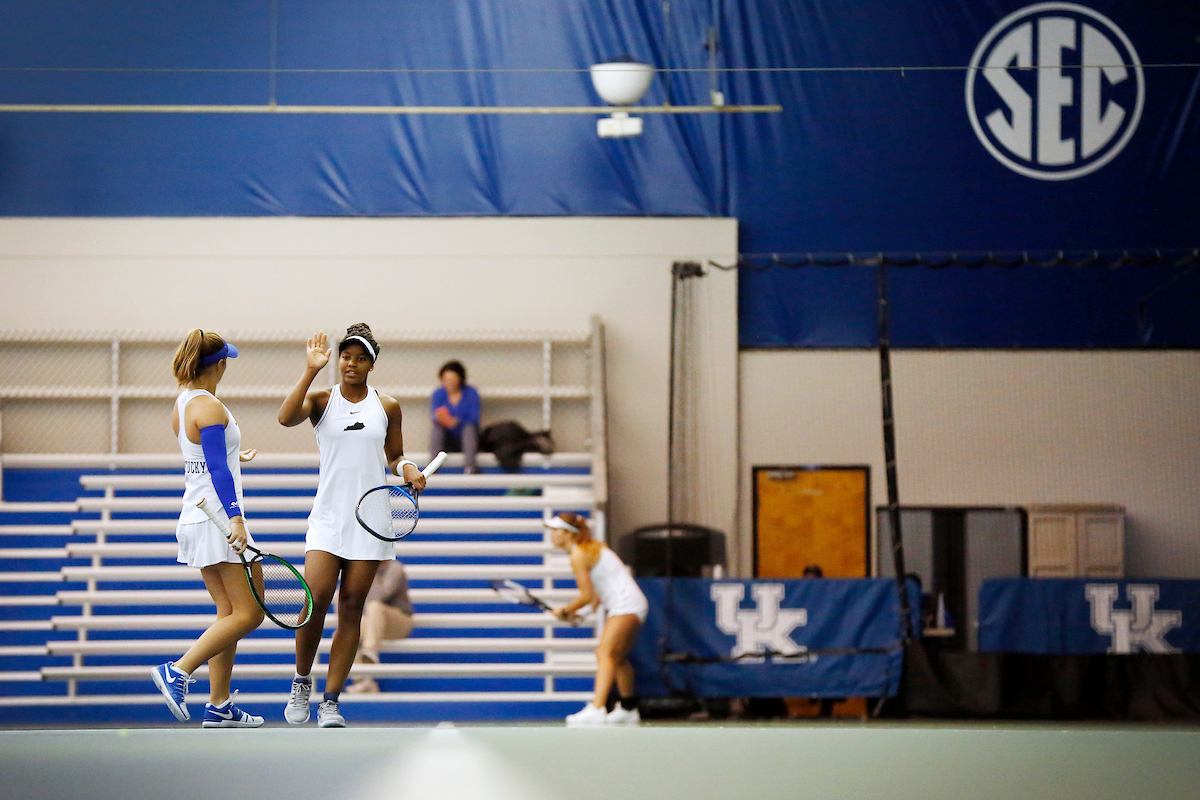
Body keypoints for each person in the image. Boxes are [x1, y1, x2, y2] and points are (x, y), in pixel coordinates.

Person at [277, 324, 426, 727]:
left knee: (352, 609)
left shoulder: (388, 406)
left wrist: (408, 468)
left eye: (360, 358)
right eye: (346, 356)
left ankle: (330, 702)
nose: (351, 364)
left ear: (371, 364)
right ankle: (302, 681)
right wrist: (309, 370)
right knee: (315, 603)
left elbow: (395, 457)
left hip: (373, 518)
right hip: (328, 518)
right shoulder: (322, 401)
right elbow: (285, 417)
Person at [151, 329, 266, 728]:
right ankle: (177, 671)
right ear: (218, 365)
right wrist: (236, 518)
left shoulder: (181, 404)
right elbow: (215, 467)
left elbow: (204, 457)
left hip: (196, 516)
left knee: (227, 613)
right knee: (251, 614)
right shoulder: (210, 407)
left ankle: (219, 706)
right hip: (219, 519)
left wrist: (237, 457)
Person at [547, 512, 648, 727]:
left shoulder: (579, 554)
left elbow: (584, 595)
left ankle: (597, 708)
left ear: (568, 534)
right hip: (632, 604)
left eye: (556, 530)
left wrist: (565, 609)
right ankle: (629, 709)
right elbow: (596, 594)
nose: (552, 535)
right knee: (618, 657)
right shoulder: (590, 548)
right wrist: (581, 614)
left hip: (626, 605)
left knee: (605, 652)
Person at [344, 559, 415, 693]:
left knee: (375, 607)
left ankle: (370, 651)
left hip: (399, 621)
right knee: (347, 631)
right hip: (373, 623)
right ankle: (364, 681)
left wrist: (367, 574)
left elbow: (380, 595)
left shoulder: (395, 568)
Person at [429, 360, 481, 474]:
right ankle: (434, 467)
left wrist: (456, 421)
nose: (450, 383)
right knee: (436, 431)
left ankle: (470, 467)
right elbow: (435, 415)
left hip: (465, 435)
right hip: (446, 437)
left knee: (469, 429)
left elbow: (474, 417)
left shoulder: (471, 393)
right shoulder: (438, 394)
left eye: (453, 379)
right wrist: (445, 420)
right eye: (446, 379)